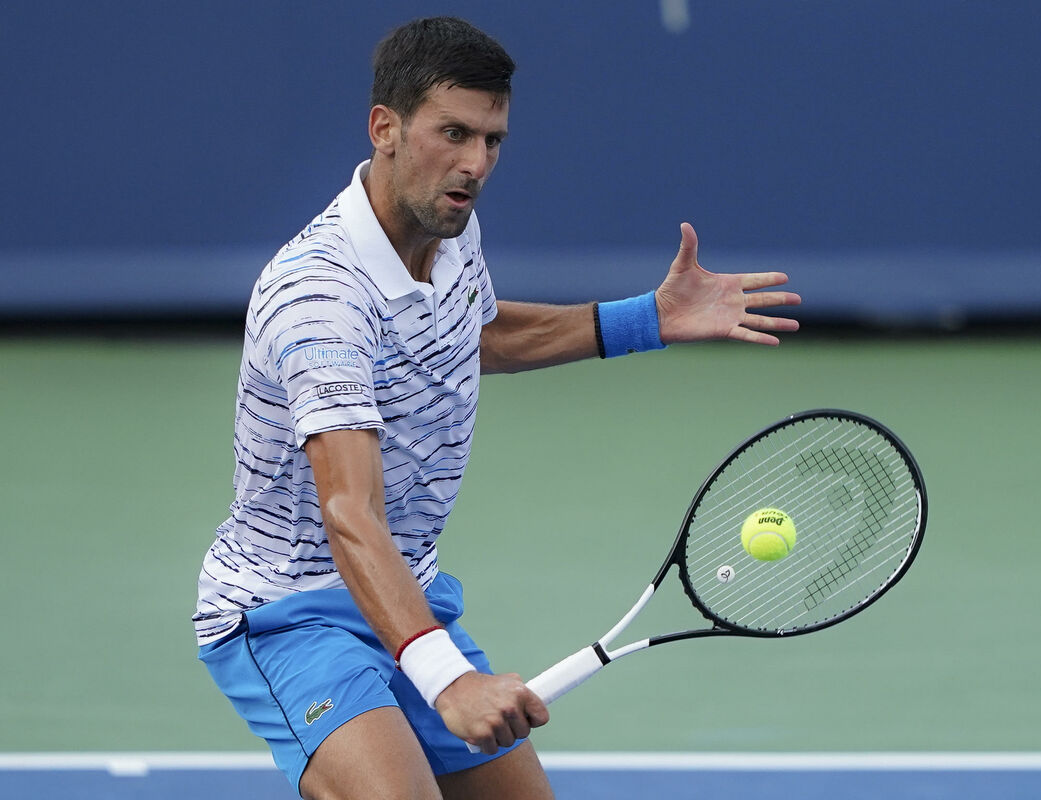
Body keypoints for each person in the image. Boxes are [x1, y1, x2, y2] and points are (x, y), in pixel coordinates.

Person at [193, 16, 801, 800]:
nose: (475, 164)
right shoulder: (320, 297)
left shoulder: (449, 234)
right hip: (289, 613)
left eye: (492, 140)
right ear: (385, 128)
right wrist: (447, 679)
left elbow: (476, 333)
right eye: (453, 134)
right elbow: (350, 513)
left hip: (405, 591)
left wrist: (646, 320)